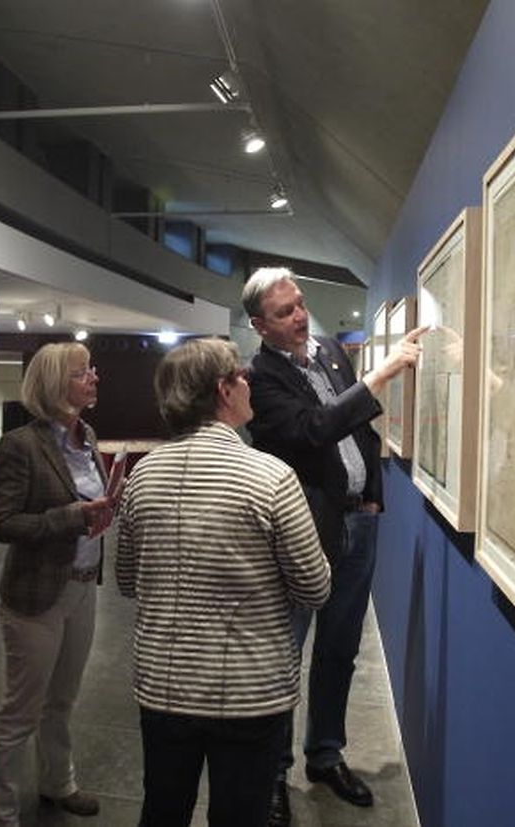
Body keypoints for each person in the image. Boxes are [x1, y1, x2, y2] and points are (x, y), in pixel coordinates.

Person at [116, 337, 331, 827]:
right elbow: (315, 588)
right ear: (222, 390)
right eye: (240, 374)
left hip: (164, 686)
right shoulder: (271, 477)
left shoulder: (143, 476)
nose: (248, 381)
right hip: (250, 691)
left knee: (163, 811)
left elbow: (128, 581)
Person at [242, 268, 424, 826]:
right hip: (302, 530)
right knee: (284, 656)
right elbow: (315, 428)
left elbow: (360, 433)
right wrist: (380, 377)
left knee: (340, 648)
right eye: (284, 312)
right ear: (259, 326)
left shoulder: (327, 354)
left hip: (356, 524)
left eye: (300, 305)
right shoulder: (261, 378)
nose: (299, 317)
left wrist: (371, 496)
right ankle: (271, 774)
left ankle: (325, 754)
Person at [0, 342, 114, 826]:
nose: (94, 378)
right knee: (21, 710)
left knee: (63, 699)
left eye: (92, 371)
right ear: (57, 385)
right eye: (84, 373)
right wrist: (71, 517)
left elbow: (87, 513)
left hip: (82, 586)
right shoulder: (21, 444)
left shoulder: (87, 436)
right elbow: (3, 524)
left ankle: (59, 784)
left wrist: (101, 514)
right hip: (35, 594)